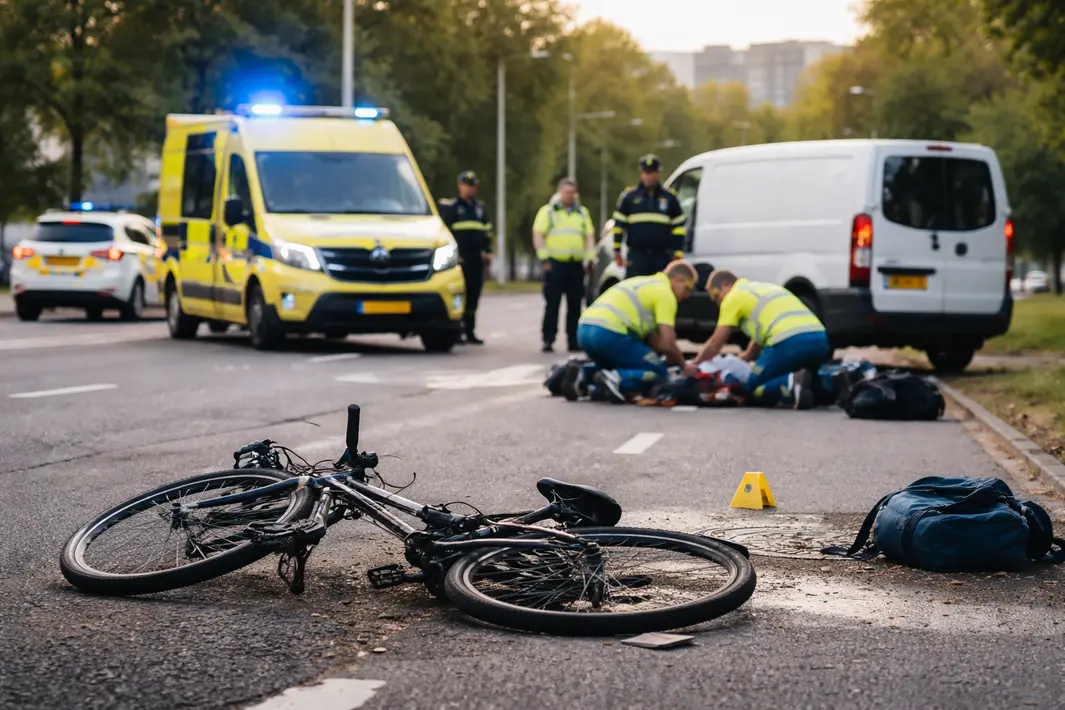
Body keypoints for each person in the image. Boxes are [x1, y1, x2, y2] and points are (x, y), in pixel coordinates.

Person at [562, 260, 700, 404]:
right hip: (609, 334)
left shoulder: (641, 281)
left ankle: (582, 374)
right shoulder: (665, 294)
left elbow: (654, 342)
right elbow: (668, 344)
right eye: (688, 288)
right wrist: (684, 365)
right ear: (678, 279)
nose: (687, 295)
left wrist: (666, 355)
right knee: (659, 373)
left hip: (585, 329)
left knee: (615, 364)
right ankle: (617, 379)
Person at [691, 269, 830, 410]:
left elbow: (716, 343)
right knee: (814, 385)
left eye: (716, 296)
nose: (717, 302)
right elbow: (761, 332)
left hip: (788, 343)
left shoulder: (733, 297)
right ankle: (833, 384)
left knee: (751, 388)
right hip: (819, 339)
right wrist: (747, 356)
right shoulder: (763, 288)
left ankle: (790, 383)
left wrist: (695, 364)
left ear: (726, 285)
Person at [533, 178, 596, 353]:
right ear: (559, 192)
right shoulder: (548, 212)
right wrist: (543, 258)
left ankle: (573, 340)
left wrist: (590, 258)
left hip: (575, 265)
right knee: (552, 304)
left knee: (575, 305)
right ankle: (548, 339)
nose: (570, 196)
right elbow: (538, 235)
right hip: (555, 265)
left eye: (572, 192)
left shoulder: (582, 213)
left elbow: (589, 237)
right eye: (567, 192)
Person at [439, 170, 493, 344]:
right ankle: (457, 331)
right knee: (459, 296)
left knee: (473, 296)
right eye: (466, 185)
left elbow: (487, 232)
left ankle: (470, 331)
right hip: (460, 260)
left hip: (476, 260)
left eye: (472, 186)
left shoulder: (479, 208)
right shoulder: (452, 207)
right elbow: (446, 234)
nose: (469, 189)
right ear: (460, 186)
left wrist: (488, 250)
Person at [612, 154, 687, 278]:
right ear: (641, 173)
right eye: (646, 173)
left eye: (652, 173)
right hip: (637, 257)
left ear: (658, 173)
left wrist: (677, 252)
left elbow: (678, 228)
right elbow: (619, 226)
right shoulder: (630, 197)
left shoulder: (669, 198)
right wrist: (616, 250)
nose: (649, 177)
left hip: (661, 257)